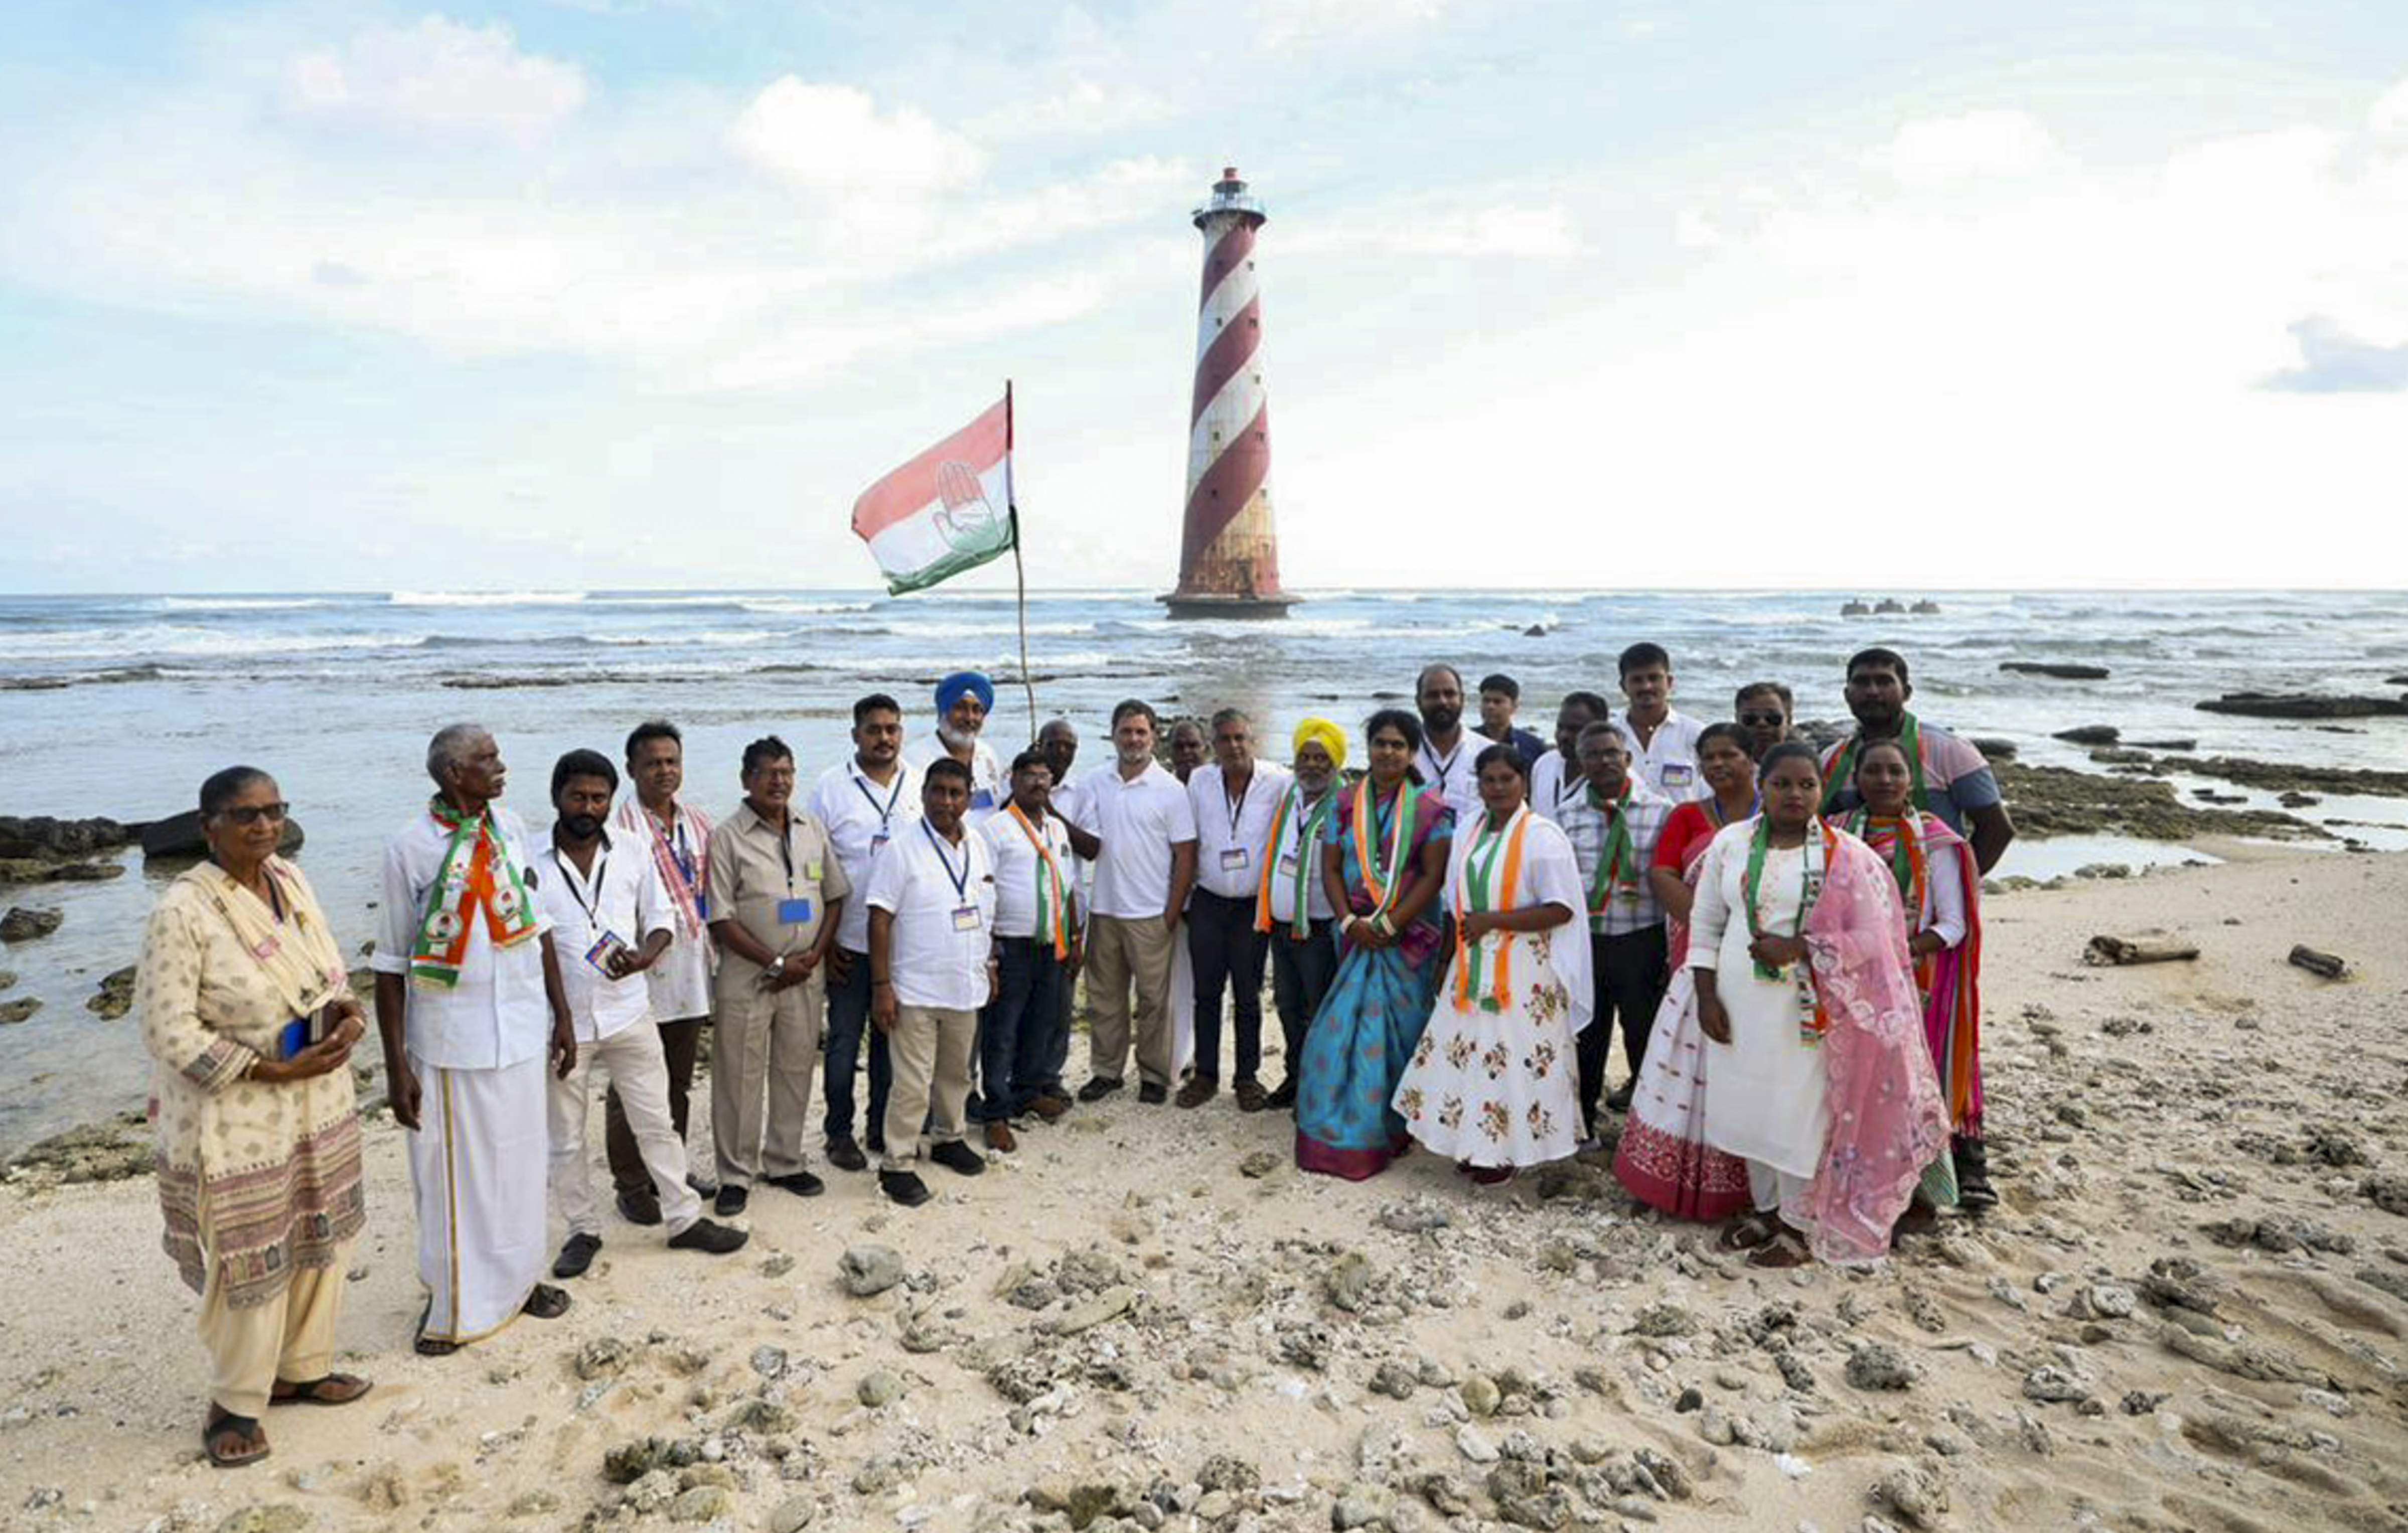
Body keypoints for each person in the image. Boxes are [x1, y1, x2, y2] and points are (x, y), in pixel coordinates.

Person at [137, 766, 371, 1468]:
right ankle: (235, 1402)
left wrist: (351, 1015)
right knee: (250, 1254)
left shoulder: (291, 880)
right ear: (209, 826)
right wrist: (271, 1068)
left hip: (318, 1095)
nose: (264, 825)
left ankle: (303, 1366)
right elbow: (166, 1029)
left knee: (321, 1233)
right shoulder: (183, 910)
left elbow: (329, 970)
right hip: (238, 1113)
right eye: (246, 815)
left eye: (274, 811)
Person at [1688, 743, 1949, 1268]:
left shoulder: (1847, 854)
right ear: (1763, 784)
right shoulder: (1731, 843)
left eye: (1807, 784)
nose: (1795, 794)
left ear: (1821, 789)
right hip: (1738, 999)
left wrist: (1803, 948)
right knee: (1748, 1103)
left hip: (1807, 1006)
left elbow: (1880, 939)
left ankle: (1799, 1222)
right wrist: (1706, 993)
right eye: (1782, 783)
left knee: (1798, 1108)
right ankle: (1766, 1207)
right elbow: (1707, 920)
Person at [372, 724, 576, 1355]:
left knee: (521, 1165)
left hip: (519, 1029)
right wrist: (395, 1068)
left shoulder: (511, 829)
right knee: (455, 1176)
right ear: (453, 773)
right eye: (487, 759)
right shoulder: (410, 847)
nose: (500, 766)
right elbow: (389, 964)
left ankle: (520, 1282)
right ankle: (454, 1303)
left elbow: (537, 927)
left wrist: (561, 1015)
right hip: (450, 1040)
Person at [535, 751, 746, 1280]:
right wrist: (559, 1017)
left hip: (629, 1011)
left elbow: (661, 916)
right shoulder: (526, 859)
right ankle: (582, 1228)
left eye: (598, 798)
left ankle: (683, 1219)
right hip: (563, 1026)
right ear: (557, 796)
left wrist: (648, 955)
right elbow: (528, 945)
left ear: (611, 799)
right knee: (565, 1134)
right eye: (578, 796)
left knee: (657, 1121)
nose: (588, 807)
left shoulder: (632, 849)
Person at [1392, 746, 1590, 1182]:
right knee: (1471, 1052)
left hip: (1522, 970)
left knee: (1513, 1055)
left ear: (1525, 782)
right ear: (1478, 785)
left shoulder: (1543, 836)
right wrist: (1446, 958)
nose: (1498, 788)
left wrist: (1495, 921)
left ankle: (1509, 1152)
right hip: (1472, 958)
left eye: (1507, 779)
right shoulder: (1469, 830)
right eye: (1489, 780)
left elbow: (1562, 909)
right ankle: (1473, 1142)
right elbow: (1453, 904)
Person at [1295, 709, 1455, 1180]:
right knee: (1337, 1030)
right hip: (1354, 938)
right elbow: (1328, 867)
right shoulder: (1344, 802)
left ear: (1412, 753)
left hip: (1407, 941)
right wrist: (1348, 920)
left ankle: (1394, 1126)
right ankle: (1341, 1131)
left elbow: (1434, 874)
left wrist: (1390, 923)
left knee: (1399, 1032)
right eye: (1380, 743)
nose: (1388, 752)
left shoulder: (1430, 807)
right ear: (1368, 749)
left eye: (1398, 745)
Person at [1614, 723, 1759, 1220]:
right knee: (1681, 1065)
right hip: (1697, 961)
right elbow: (1661, 873)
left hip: (1760, 966)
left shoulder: (1778, 813)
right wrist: (1709, 926)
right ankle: (1665, 1178)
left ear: (1751, 760)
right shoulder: (1688, 815)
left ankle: (1747, 1184)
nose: (1718, 765)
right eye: (1709, 757)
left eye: (1730, 755)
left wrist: (1742, 934)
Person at [1844, 737, 1992, 1210]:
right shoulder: (1836, 833)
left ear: (1912, 780)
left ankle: (1923, 1188)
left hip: (1915, 982)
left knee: (1910, 1085)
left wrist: (1898, 952)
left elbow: (1953, 924)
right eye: (1874, 771)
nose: (1884, 780)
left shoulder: (1936, 841)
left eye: (1895, 771)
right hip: (1848, 978)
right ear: (1856, 779)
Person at [704, 736, 849, 1216]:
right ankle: (735, 1175)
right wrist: (775, 962)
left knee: (793, 1069)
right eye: (768, 772)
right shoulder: (727, 837)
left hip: (806, 974)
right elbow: (720, 918)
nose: (779, 780)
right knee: (738, 1077)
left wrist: (815, 955)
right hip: (749, 977)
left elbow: (834, 896)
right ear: (747, 779)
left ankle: (785, 1161)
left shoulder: (812, 827)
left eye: (786, 771)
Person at [866, 757, 1000, 1206]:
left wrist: (990, 964)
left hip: (965, 984)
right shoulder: (901, 849)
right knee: (911, 1083)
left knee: (956, 1074)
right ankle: (897, 1163)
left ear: (967, 798)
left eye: (955, 793)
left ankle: (949, 1137)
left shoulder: (978, 845)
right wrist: (882, 985)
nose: (946, 800)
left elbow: (985, 907)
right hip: (916, 988)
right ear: (923, 794)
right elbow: (880, 918)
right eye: (938, 790)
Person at [605, 720, 714, 1225]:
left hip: (690, 968)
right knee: (631, 1082)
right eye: (653, 763)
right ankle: (630, 1184)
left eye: (672, 761)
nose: (664, 771)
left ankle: (670, 1172)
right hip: (640, 972)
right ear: (631, 769)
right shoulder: (618, 828)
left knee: (676, 1080)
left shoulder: (696, 820)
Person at [810, 695, 918, 1172]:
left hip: (904, 944)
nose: (884, 738)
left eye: (892, 728)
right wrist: (824, 941)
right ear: (855, 734)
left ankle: (879, 1125)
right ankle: (838, 1132)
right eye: (874, 729)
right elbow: (812, 868)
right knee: (843, 1042)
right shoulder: (830, 788)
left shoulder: (919, 783)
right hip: (849, 942)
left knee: (890, 1043)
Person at [1074, 701, 1198, 1105]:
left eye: (1141, 732)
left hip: (1151, 913)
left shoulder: (1171, 790)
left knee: (1154, 1002)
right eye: (1126, 731)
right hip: (1105, 910)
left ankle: (1154, 1074)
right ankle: (1107, 1071)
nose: (1134, 739)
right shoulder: (1093, 781)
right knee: (1105, 999)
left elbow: (1186, 855)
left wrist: (1171, 910)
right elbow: (1085, 843)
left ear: (1153, 736)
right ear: (1113, 734)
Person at [1557, 723, 1674, 1129]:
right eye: (1593, 754)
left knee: (1644, 1033)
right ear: (1581, 762)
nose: (1604, 761)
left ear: (1628, 758)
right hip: (1588, 943)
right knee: (1588, 1034)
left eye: (1612, 753)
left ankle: (1647, 1126)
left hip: (1642, 940)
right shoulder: (1564, 816)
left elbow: (1670, 879)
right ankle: (1584, 1120)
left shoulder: (1662, 811)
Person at [1818, 647, 2016, 876]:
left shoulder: (1949, 749)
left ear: (1907, 692)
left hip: (1930, 899)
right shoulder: (1832, 759)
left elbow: (1997, 829)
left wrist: (1955, 886)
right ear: (1847, 694)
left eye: (1884, 682)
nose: (1872, 691)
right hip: (1855, 896)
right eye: (1862, 683)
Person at [1182, 708, 1292, 1110]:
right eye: (1225, 739)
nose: (1233, 746)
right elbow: (1189, 841)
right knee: (1206, 993)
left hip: (1252, 907)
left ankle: (1247, 1078)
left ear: (1253, 739)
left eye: (1240, 737)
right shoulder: (1199, 780)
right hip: (1208, 901)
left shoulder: (1278, 780)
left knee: (1248, 994)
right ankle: (1206, 1075)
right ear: (1214, 744)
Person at [973, 749, 1082, 1150]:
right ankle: (996, 1111)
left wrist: (1073, 938)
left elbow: (1066, 886)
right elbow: (983, 892)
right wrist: (988, 952)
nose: (1038, 782)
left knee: (1041, 1022)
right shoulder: (995, 828)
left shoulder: (1056, 829)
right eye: (1030, 776)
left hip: (1052, 944)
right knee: (1002, 1030)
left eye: (1044, 776)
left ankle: (1028, 1091)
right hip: (1011, 946)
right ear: (1013, 781)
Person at [1256, 718, 1346, 1110]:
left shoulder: (1344, 805)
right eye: (1304, 756)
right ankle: (1295, 1077)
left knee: (1319, 1010)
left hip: (1320, 929)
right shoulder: (1288, 795)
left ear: (1336, 762)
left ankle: (1319, 1088)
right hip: (1281, 926)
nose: (1311, 764)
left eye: (1321, 758)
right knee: (1288, 1005)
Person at [1163, 717, 1209, 1077]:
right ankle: (1177, 1056)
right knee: (1175, 983)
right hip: (1170, 902)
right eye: (1179, 746)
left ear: (1206, 748)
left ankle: (1200, 1054)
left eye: (1193, 745)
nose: (1187, 753)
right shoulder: (1164, 788)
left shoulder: (1215, 787)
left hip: (1210, 904)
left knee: (1208, 986)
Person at [904, 671, 1003, 822]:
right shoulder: (915, 759)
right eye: (960, 708)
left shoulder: (988, 754)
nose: (970, 718)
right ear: (942, 712)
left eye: (977, 710)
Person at [1614, 643, 1707, 802]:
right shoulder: (1609, 735)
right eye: (1637, 680)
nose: (1647, 686)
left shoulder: (1696, 734)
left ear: (1669, 682)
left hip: (1683, 826)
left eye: (1654, 678)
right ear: (1623, 686)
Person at [1412, 663, 1482, 821]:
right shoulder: (1403, 754)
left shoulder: (1486, 752)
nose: (1443, 701)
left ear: (1462, 699)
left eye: (1450, 694)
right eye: (1433, 695)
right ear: (1418, 701)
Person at [1530, 690, 1612, 824]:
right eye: (1560, 727)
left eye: (1575, 730)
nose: (1564, 736)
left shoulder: (1612, 775)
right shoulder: (1544, 764)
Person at [1473, 673, 1548, 767]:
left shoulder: (1532, 746)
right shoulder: (1466, 741)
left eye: (1498, 702)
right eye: (1486, 701)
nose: (1490, 707)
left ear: (1514, 707)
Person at [1734, 682, 1794, 762]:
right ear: (1737, 721)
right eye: (1750, 719)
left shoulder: (1806, 769)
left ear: (1789, 721)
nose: (1762, 724)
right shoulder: (1723, 768)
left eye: (1773, 718)